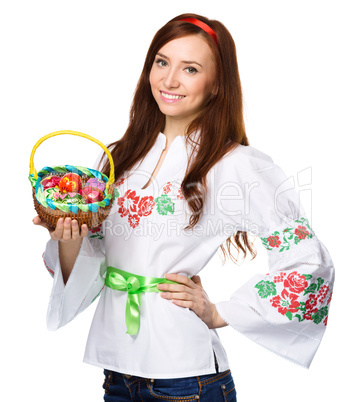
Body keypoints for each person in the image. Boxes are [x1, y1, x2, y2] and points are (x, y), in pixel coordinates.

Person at [33, 13, 335, 401]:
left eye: (190, 69)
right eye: (162, 62)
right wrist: (67, 238)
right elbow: (93, 264)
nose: (169, 80)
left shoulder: (236, 164)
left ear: (216, 85)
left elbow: (308, 260)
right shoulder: (116, 158)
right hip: (117, 374)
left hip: (186, 380)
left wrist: (220, 313)